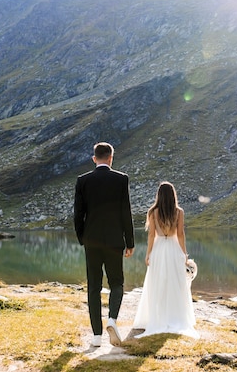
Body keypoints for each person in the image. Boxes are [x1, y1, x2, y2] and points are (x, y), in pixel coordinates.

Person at [74, 142, 135, 347]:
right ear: (111, 158)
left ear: (94, 158)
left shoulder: (83, 181)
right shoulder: (121, 179)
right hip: (115, 241)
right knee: (117, 283)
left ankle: (97, 336)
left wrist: (83, 238)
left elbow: (78, 214)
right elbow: (125, 212)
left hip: (92, 241)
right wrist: (130, 242)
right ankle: (112, 319)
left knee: (94, 287)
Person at [132, 181, 198, 338]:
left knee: (157, 283)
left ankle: (157, 316)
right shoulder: (179, 212)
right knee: (176, 284)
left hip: (159, 249)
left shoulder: (153, 212)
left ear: (159, 196)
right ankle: (176, 316)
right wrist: (184, 254)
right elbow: (180, 234)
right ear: (173, 195)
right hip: (175, 250)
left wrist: (148, 254)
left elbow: (151, 235)